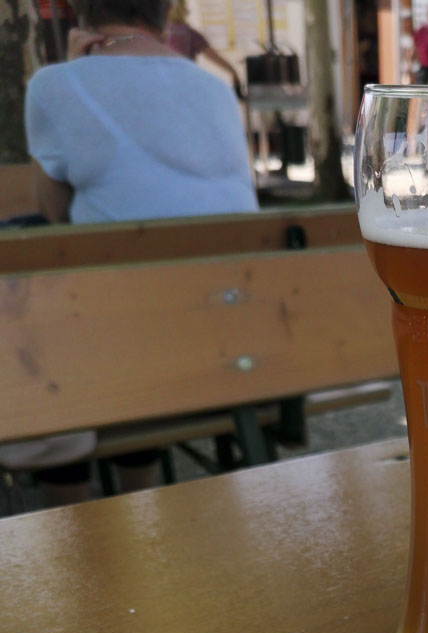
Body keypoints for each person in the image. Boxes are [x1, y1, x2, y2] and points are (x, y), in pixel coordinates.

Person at [19, 0, 257, 505]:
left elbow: (53, 212)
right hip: (235, 339)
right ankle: (137, 506)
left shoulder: (55, 84)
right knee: (127, 292)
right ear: (165, 13)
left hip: (122, 349)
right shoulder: (214, 90)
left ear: (85, 15)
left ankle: (74, 519)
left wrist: (67, 66)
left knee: (51, 319)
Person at [165, 0, 243, 97]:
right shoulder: (190, 34)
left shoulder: (159, 34)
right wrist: (233, 72)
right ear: (183, 8)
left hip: (164, 88)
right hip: (185, 88)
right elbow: (214, 57)